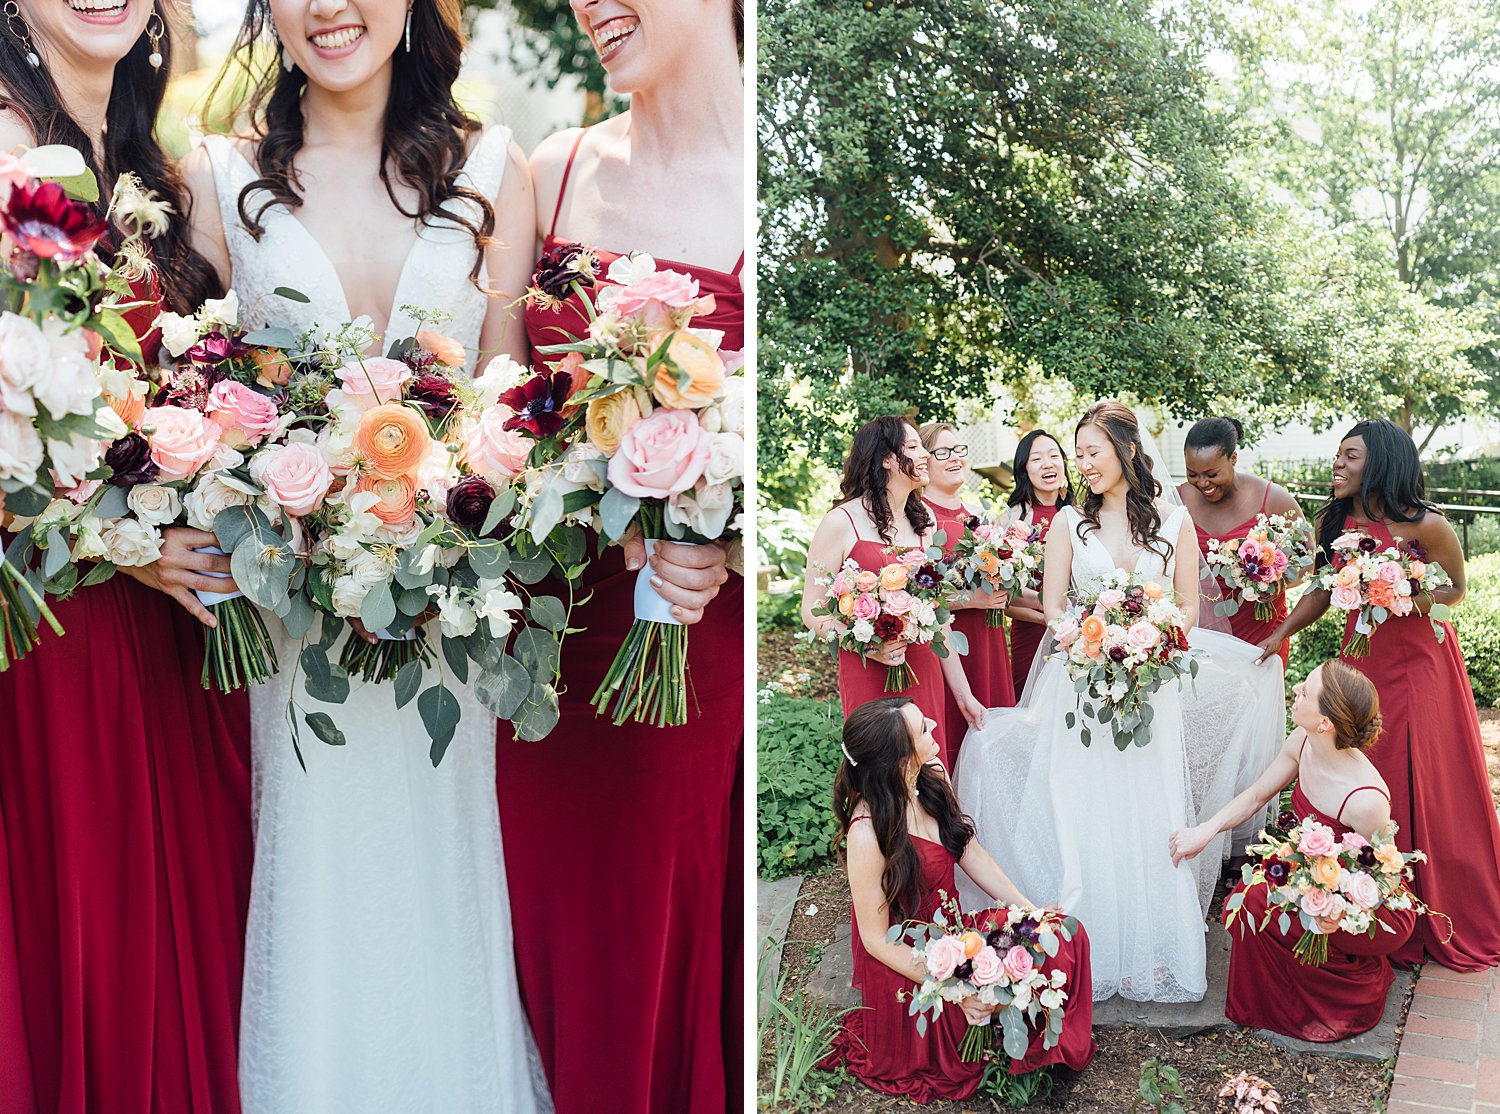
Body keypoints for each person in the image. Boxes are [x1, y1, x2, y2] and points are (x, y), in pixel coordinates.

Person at [183, 0, 551, 1107]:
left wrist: (456, 508)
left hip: (446, 628)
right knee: (313, 886)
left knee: (440, 881)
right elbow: (191, 402)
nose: (326, 8)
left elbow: (510, 408)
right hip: (294, 638)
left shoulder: (496, 168)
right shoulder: (215, 176)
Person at [0, 3, 253, 1110]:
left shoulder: (149, 164)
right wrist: (123, 537)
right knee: (97, 938)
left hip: (173, 617)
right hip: (67, 621)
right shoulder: (13, 150)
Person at [493, 1, 745, 1109]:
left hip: (686, 633)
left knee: (654, 926)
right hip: (543, 646)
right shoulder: (548, 172)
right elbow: (492, 419)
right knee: (533, 923)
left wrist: (727, 541)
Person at [957, 401, 1284, 1002]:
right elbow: (1054, 606)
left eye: (1091, 452)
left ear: (1127, 451)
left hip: (1149, 684)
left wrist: (1152, 635)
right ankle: (1080, 933)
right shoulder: (1067, 525)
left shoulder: (1175, 520)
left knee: (1144, 801)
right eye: (1077, 453)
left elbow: (1187, 604)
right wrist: (1092, 632)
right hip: (1081, 683)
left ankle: (1147, 939)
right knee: (1078, 799)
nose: (1082, 464)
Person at [1256, 419, 1500, 970]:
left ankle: (1429, 906)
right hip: (1360, 663)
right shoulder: (1334, 520)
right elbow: (1322, 588)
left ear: (1381, 462)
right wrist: (1279, 634)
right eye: (1336, 456)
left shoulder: (1426, 526)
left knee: (1417, 771)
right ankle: (1363, 902)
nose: (1336, 466)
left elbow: (1455, 594)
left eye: (1350, 456)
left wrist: (1399, 593)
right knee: (1367, 766)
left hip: (1420, 664)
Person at [823, 697, 1096, 1103]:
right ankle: (993, 1022)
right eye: (922, 729)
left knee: (1060, 938)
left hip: (954, 932)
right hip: (910, 958)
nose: (934, 724)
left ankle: (1031, 1040)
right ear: (900, 760)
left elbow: (969, 851)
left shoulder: (931, 774)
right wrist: (953, 987)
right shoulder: (866, 832)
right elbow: (876, 941)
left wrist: (1027, 909)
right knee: (977, 1011)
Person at [1170, 661, 1417, 1041]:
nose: (1297, 687)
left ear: (1325, 723)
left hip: (1366, 902)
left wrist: (1333, 906)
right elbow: (1255, 795)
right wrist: (1205, 832)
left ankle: (1335, 992)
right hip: (1310, 873)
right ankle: (1283, 990)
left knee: (1254, 902)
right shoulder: (1302, 742)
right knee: (1246, 899)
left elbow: (1387, 872)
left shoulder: (1366, 799)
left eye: (1307, 690)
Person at [802, 417, 986, 767]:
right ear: (887, 458)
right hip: (867, 668)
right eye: (914, 447)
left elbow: (939, 618)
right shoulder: (841, 522)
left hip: (922, 664)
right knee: (880, 777)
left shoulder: (925, 523)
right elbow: (813, 610)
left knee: (929, 774)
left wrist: (964, 696)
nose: (925, 455)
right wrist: (869, 645)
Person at [919, 421, 1013, 767]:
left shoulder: (979, 515)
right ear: (923, 461)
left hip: (988, 639)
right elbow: (920, 598)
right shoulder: (921, 522)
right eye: (942, 452)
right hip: (951, 646)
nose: (955, 458)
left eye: (959, 450)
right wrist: (971, 600)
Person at [1178, 417, 1303, 664]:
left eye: (1212, 474)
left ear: (1233, 459)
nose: (1202, 483)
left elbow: (1307, 565)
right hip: (1200, 638)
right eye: (1193, 474)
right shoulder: (1177, 500)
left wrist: (1272, 583)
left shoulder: (1274, 499)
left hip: (1260, 638)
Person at [1001, 430, 1072, 697]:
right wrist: (1048, 617)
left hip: (1081, 632)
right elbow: (1004, 600)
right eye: (1037, 458)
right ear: (1024, 469)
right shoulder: (1011, 521)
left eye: (1054, 456)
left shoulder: (1083, 514)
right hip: (1031, 636)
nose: (1047, 463)